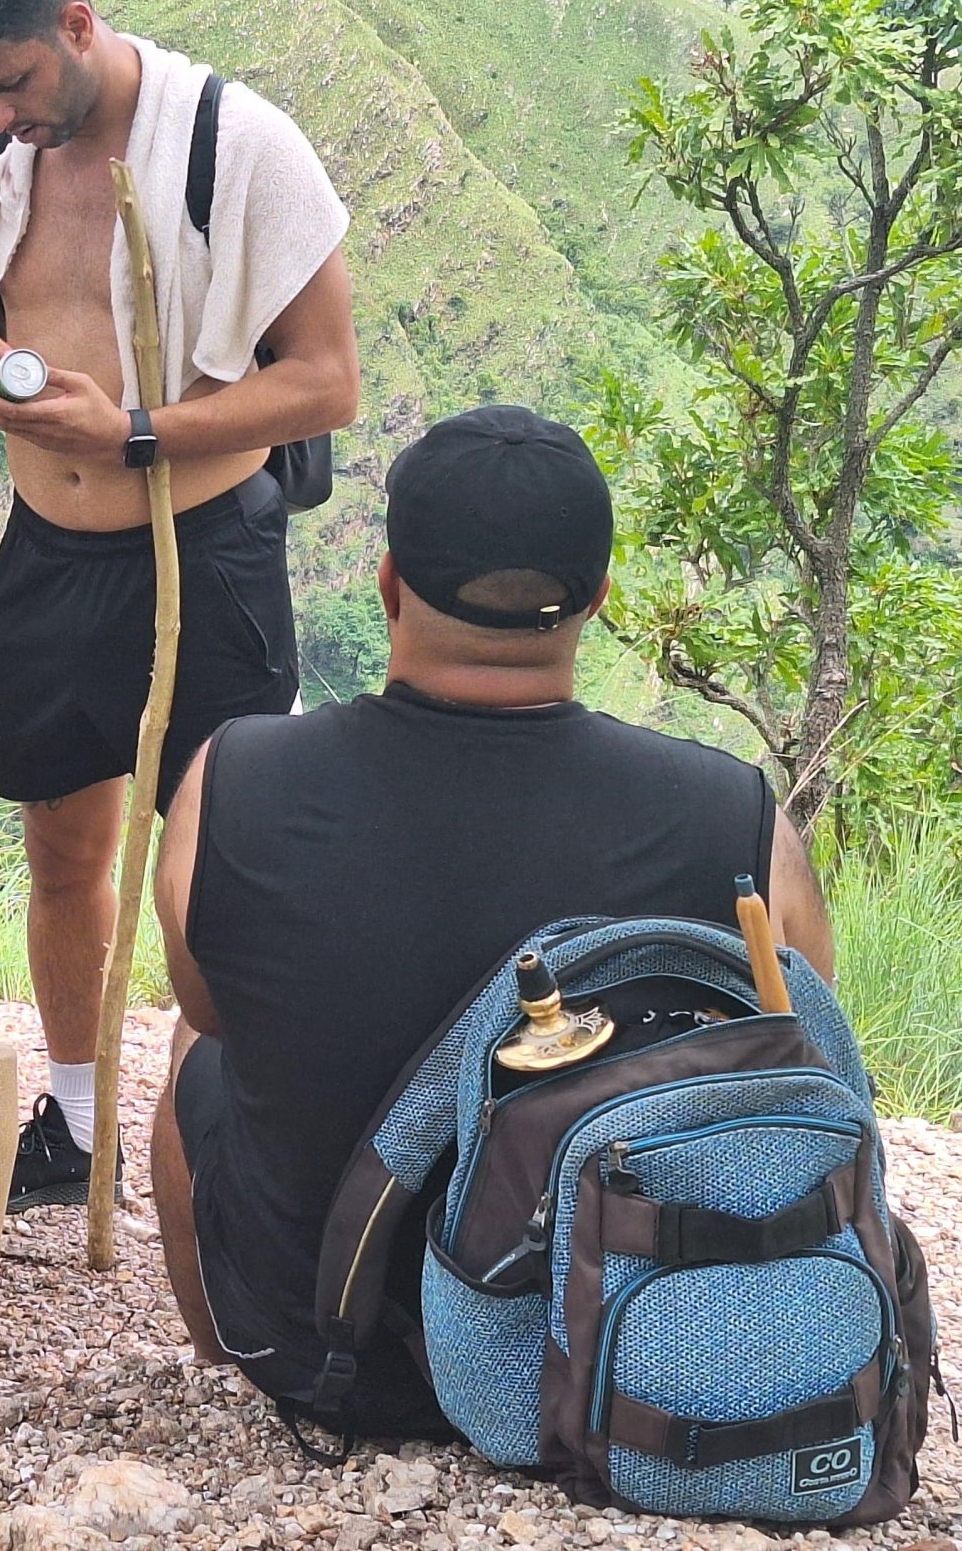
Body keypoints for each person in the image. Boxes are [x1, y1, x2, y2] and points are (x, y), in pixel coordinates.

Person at [148, 405, 836, 1430]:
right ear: (596, 598)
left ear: (386, 584)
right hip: (625, 1357)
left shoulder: (232, 777)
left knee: (196, 1049)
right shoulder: (728, 816)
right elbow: (796, 1067)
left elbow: (211, 999)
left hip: (329, 1358)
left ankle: (226, 1343)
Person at [0, 0, 362, 1212]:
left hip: (200, 551)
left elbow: (328, 382)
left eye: (13, 82)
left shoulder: (241, 146)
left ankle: (229, 1133)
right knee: (61, 848)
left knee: (213, 871)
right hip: (47, 551)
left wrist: (138, 433)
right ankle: (81, 1119)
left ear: (78, 24)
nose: (0, 114)